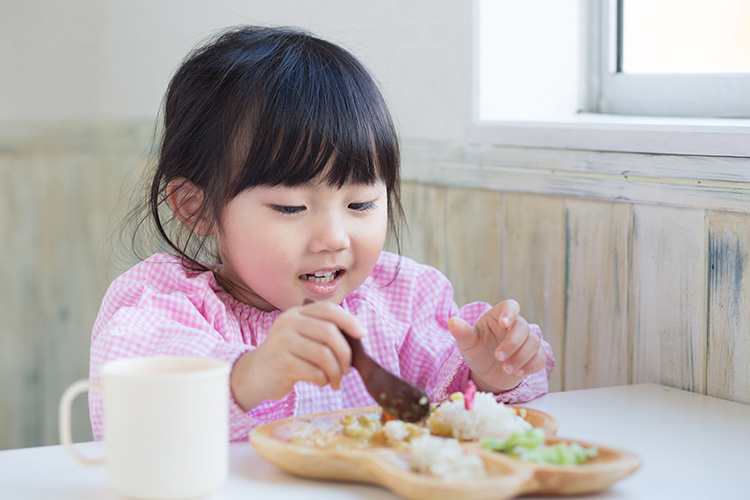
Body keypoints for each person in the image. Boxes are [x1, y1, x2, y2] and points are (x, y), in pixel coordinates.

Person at [89, 25, 554, 441]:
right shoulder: (162, 303)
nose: (334, 237)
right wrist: (249, 377)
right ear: (196, 208)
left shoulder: (398, 299)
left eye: (361, 204)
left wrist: (490, 372)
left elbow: (442, 404)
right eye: (291, 207)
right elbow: (132, 410)